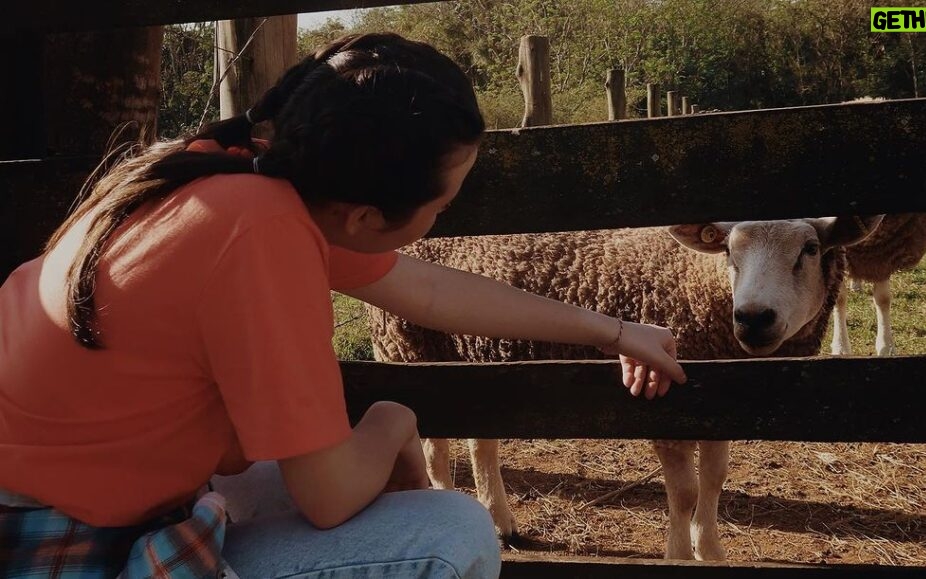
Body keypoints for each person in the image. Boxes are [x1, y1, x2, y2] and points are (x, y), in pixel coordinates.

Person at [0, 32, 687, 578]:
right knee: (455, 533)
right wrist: (392, 421)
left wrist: (615, 330)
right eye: (442, 205)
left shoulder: (228, 168)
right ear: (362, 216)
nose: (443, 219)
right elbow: (327, 497)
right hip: (56, 541)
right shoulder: (261, 235)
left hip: (77, 487)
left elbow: (426, 289)